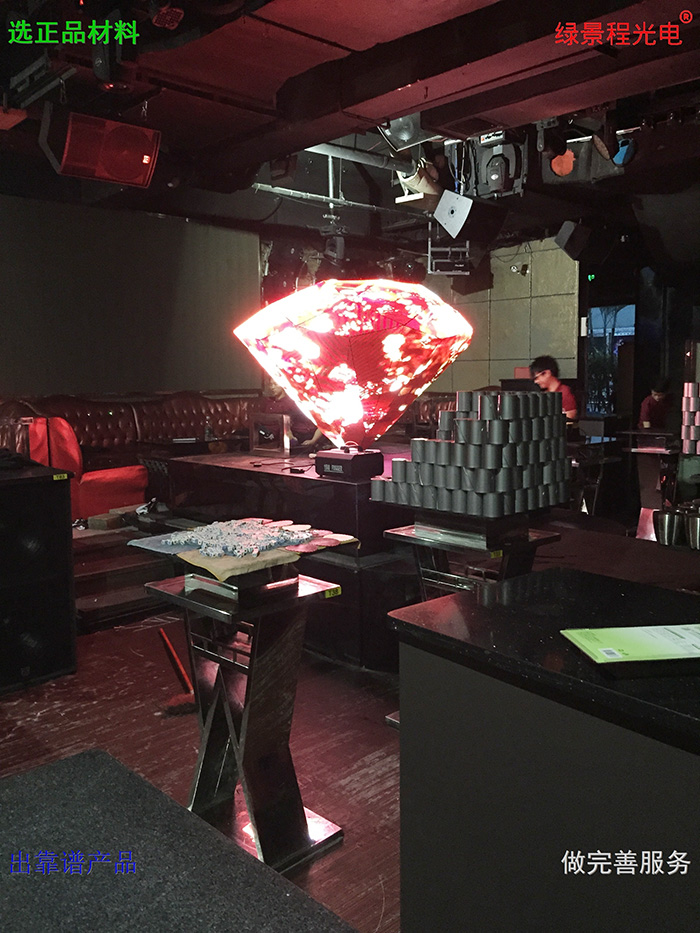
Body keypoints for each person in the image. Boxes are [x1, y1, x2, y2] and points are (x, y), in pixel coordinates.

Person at [261, 383, 325, 448]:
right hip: (294, 435)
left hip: (309, 436)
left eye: (275, 384)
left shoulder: (309, 406)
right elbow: (287, 423)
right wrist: (291, 436)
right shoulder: (292, 405)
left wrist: (313, 440)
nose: (272, 387)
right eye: (271, 384)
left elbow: (323, 425)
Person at [529, 355, 578, 420]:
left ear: (547, 373)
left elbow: (570, 419)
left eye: (537, 378)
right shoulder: (543, 395)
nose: (536, 381)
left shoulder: (565, 393)